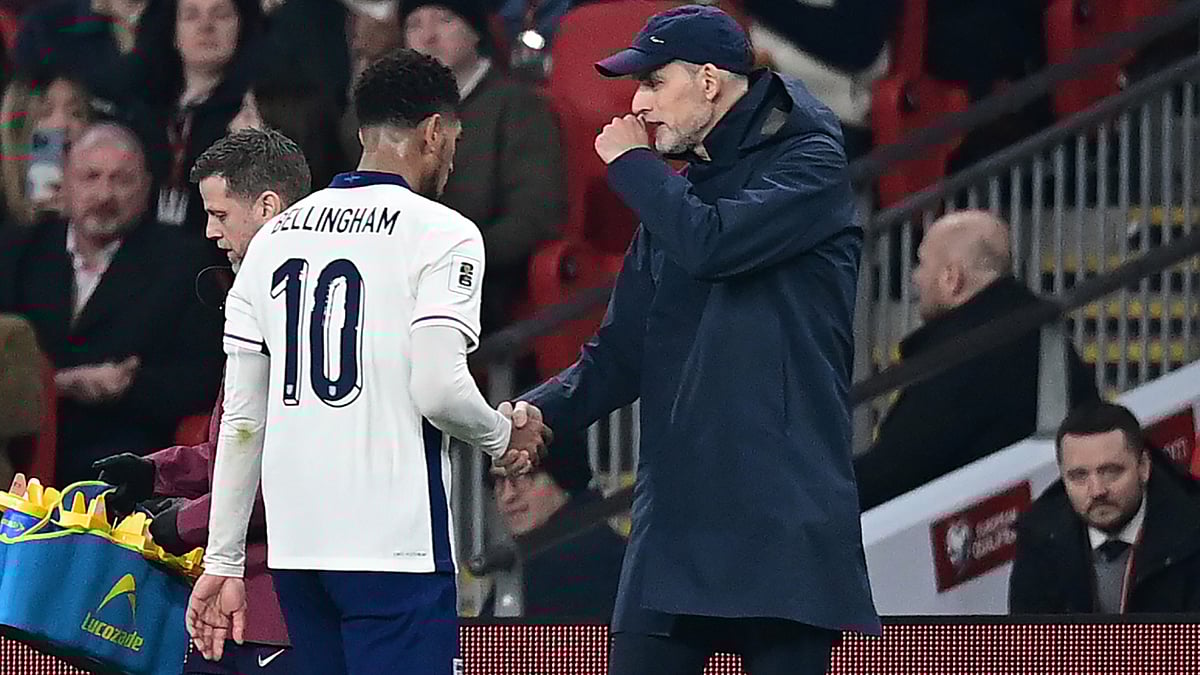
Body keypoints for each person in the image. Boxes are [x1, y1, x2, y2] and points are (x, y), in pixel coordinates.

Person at [507, 6, 879, 674]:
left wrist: (633, 166)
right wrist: (541, 410)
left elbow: (716, 244)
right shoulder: (680, 194)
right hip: (677, 520)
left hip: (780, 515)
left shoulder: (811, 161)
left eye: (653, 83)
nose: (638, 104)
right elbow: (622, 351)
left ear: (710, 81)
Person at [184, 49, 550, 675]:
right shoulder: (442, 233)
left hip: (299, 550)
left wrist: (223, 562)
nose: (453, 156)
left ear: (363, 134)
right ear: (435, 132)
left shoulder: (272, 238)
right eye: (455, 139)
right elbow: (437, 387)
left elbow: (243, 422)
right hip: (391, 545)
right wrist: (499, 435)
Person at [92, 127, 312, 674]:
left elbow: (284, 480)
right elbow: (233, 450)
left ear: (267, 207)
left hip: (285, 612)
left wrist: (183, 523)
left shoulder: (306, 322)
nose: (210, 232)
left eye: (219, 214)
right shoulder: (256, 304)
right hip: (231, 602)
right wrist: (156, 473)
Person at [0, 122, 223, 485]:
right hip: (18, 449)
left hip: (122, 459)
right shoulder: (20, 250)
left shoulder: (184, 264)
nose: (105, 194)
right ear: (67, 184)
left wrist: (126, 389)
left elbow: (201, 378)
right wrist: (61, 384)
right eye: (91, 177)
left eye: (121, 180)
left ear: (147, 188)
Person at [853, 210, 1099, 510]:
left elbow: (892, 471)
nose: (916, 278)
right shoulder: (1041, 330)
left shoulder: (964, 354)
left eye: (922, 263)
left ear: (951, 278)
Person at [401, 0, 566, 334]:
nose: (428, 38)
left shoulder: (517, 106)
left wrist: (452, 260)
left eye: (445, 20)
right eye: (415, 25)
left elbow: (535, 216)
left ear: (476, 32)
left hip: (479, 284)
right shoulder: (390, 115)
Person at [1009, 402, 1200, 614]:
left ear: (1144, 467)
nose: (1097, 490)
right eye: (1079, 476)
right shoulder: (1038, 538)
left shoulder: (1192, 531)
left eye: (1111, 471)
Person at [481, 451, 626, 622]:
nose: (507, 496)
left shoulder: (558, 565)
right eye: (497, 481)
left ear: (564, 480)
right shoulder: (529, 559)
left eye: (522, 476)